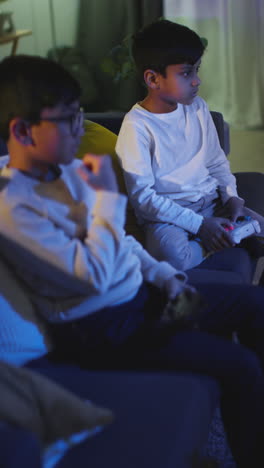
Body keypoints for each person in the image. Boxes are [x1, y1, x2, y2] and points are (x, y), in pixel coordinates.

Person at [1, 55, 264, 468]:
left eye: (80, 116)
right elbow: (94, 276)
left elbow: (120, 241)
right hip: (102, 328)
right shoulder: (13, 209)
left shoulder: (65, 171)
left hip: (141, 297)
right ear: (21, 130)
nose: (79, 130)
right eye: (68, 120)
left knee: (255, 304)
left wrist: (164, 275)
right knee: (240, 367)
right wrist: (106, 197)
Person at [115, 19, 264, 271]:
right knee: (170, 256)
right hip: (169, 215)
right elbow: (144, 199)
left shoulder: (198, 108)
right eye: (186, 73)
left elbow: (216, 161)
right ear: (153, 79)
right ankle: (230, 238)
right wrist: (199, 226)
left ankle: (229, 233)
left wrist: (232, 197)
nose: (197, 81)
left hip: (211, 202)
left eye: (196, 70)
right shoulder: (136, 127)